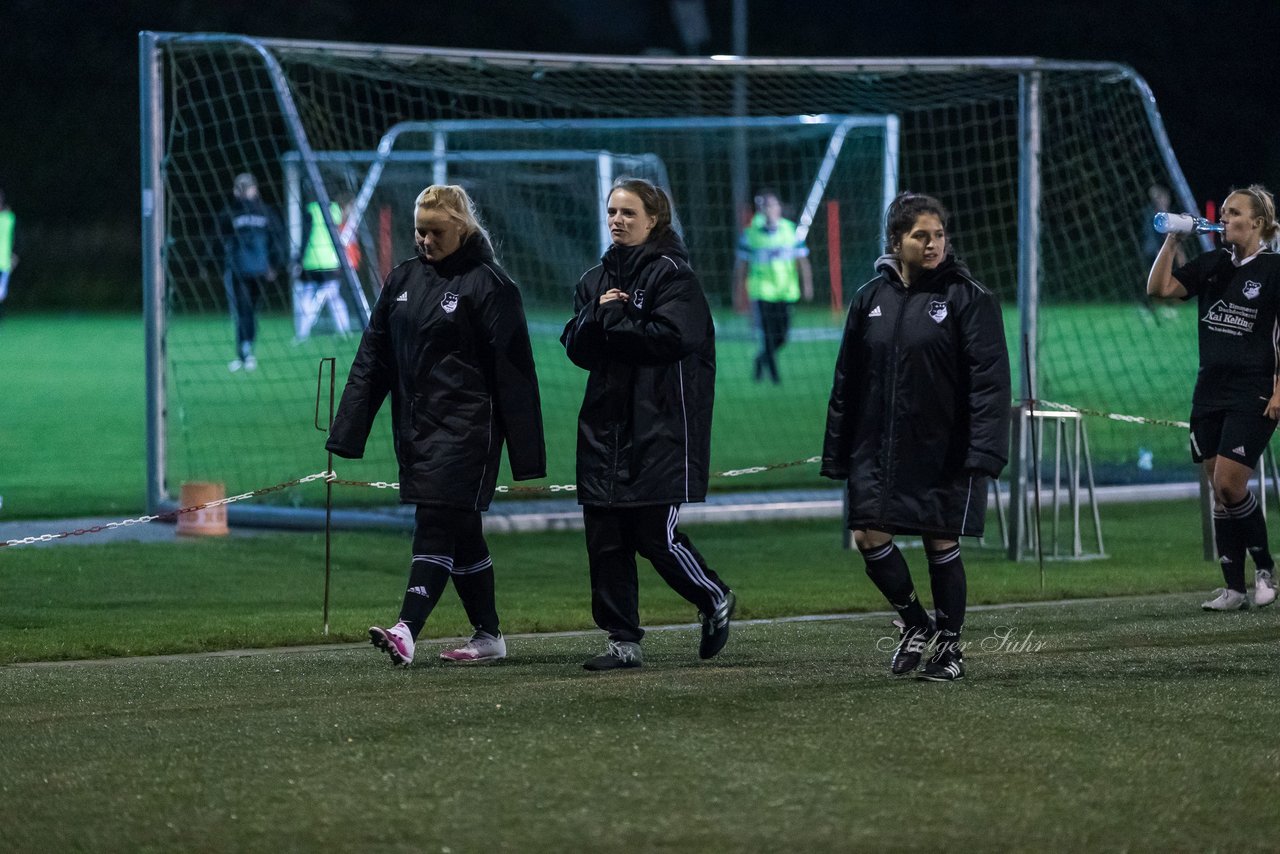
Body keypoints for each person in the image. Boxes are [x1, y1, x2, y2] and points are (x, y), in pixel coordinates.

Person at [326, 184, 545, 666]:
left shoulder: (491, 285)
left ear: (461, 228)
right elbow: (372, 360)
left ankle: (406, 630)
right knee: (461, 529)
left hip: (469, 431)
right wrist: (347, 431)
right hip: (417, 430)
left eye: (435, 232)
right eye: (419, 232)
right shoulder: (401, 280)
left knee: (436, 519)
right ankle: (489, 637)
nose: (424, 240)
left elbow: (516, 373)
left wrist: (527, 455)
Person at [821, 191, 1011, 682]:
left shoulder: (968, 297)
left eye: (939, 236)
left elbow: (990, 381)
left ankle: (950, 651)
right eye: (920, 236)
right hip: (876, 447)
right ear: (896, 241)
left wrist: (985, 450)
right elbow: (847, 380)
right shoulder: (870, 299)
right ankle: (915, 624)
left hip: (941, 445)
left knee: (939, 540)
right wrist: (838, 450)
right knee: (868, 534)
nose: (932, 245)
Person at [561, 177, 735, 671]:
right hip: (604, 426)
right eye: (612, 212)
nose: (617, 220)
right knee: (605, 537)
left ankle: (713, 596)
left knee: (655, 534)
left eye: (629, 213)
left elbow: (671, 340)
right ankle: (623, 641)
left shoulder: (674, 277)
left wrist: (614, 319)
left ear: (654, 219)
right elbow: (576, 347)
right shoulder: (595, 278)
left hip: (659, 425)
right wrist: (596, 318)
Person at [1147, 184, 1280, 611]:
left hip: (1255, 391)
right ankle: (1233, 589)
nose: (1224, 219)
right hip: (1209, 391)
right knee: (1216, 489)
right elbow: (1160, 289)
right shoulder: (1214, 264)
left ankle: (1265, 571)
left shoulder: (1276, 269)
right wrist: (1172, 239)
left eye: (1234, 213)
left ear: (1257, 223)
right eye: (1222, 212)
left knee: (1229, 483)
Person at [734, 190, 814, 383]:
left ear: (779, 208)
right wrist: (738, 293)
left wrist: (807, 285)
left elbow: (803, 261)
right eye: (765, 206)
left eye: (772, 205)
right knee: (768, 335)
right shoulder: (750, 234)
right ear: (760, 210)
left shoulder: (790, 231)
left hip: (785, 292)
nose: (769, 210)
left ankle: (760, 359)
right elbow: (741, 268)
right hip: (762, 292)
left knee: (783, 336)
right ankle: (774, 378)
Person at [219, 174, 284, 372]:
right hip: (239, 270)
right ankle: (245, 352)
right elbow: (220, 238)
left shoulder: (265, 212)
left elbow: (277, 239)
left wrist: (274, 264)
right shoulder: (230, 213)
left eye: (244, 187)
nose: (240, 191)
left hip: (259, 270)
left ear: (254, 189)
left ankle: (246, 350)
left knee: (250, 311)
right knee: (244, 311)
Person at [295, 197, 353, 340]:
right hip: (331, 262)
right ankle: (344, 330)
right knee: (334, 298)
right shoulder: (335, 210)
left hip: (311, 261)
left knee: (308, 297)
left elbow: (305, 236)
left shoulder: (311, 210)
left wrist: (298, 259)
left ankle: (303, 333)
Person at [0, 189, 18, 319]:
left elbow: (16, 238)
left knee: (1, 293)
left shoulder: (9, 218)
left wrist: (15, 255)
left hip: (4, 261)